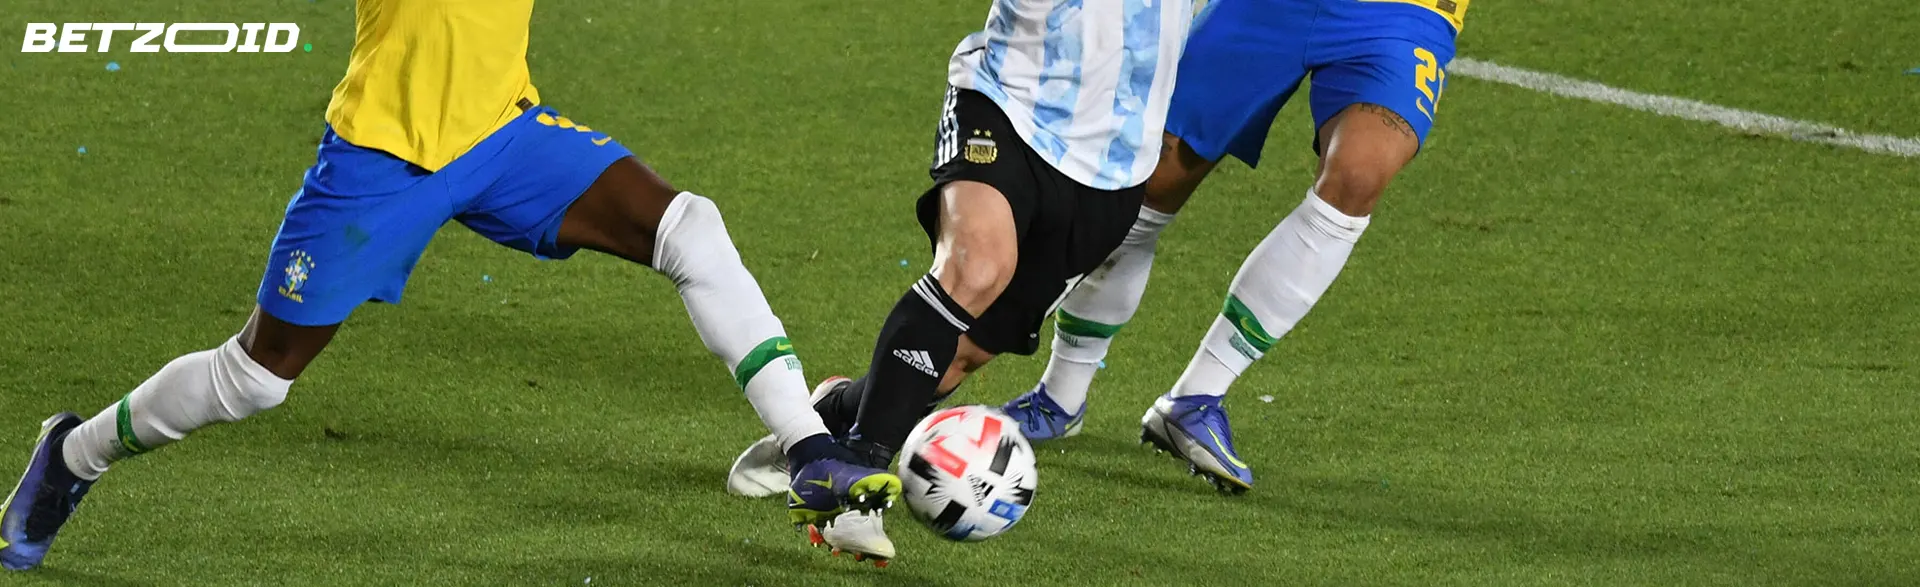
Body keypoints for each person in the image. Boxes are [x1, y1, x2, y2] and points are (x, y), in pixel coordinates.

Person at [0, 0, 900, 572]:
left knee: (687, 226)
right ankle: (71, 454)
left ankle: (810, 444)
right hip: (381, 157)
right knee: (256, 377)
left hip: (503, 132)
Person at [727, 0, 1197, 565]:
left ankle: (822, 419)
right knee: (975, 270)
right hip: (1009, 101)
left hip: (1118, 162)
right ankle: (856, 482)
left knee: (958, 357)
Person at [1002, 0, 1468, 494]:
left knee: (1357, 177)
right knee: (1151, 182)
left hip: (1403, 15)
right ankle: (1060, 397)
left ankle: (1197, 397)